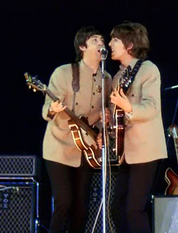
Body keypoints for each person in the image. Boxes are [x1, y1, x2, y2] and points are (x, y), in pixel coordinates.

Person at [42, 26, 112, 232]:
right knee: (64, 203)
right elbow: (46, 108)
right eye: (95, 41)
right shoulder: (64, 73)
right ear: (82, 47)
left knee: (82, 208)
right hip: (59, 146)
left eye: (102, 40)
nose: (102, 43)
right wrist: (53, 109)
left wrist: (102, 126)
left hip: (86, 149)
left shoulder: (106, 79)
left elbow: (102, 114)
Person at [108, 21, 167, 233]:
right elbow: (118, 116)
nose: (110, 43)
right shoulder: (117, 77)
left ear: (130, 45)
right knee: (116, 208)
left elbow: (151, 107)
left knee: (134, 209)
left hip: (146, 149)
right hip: (125, 151)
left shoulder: (148, 70)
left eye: (115, 40)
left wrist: (128, 106)